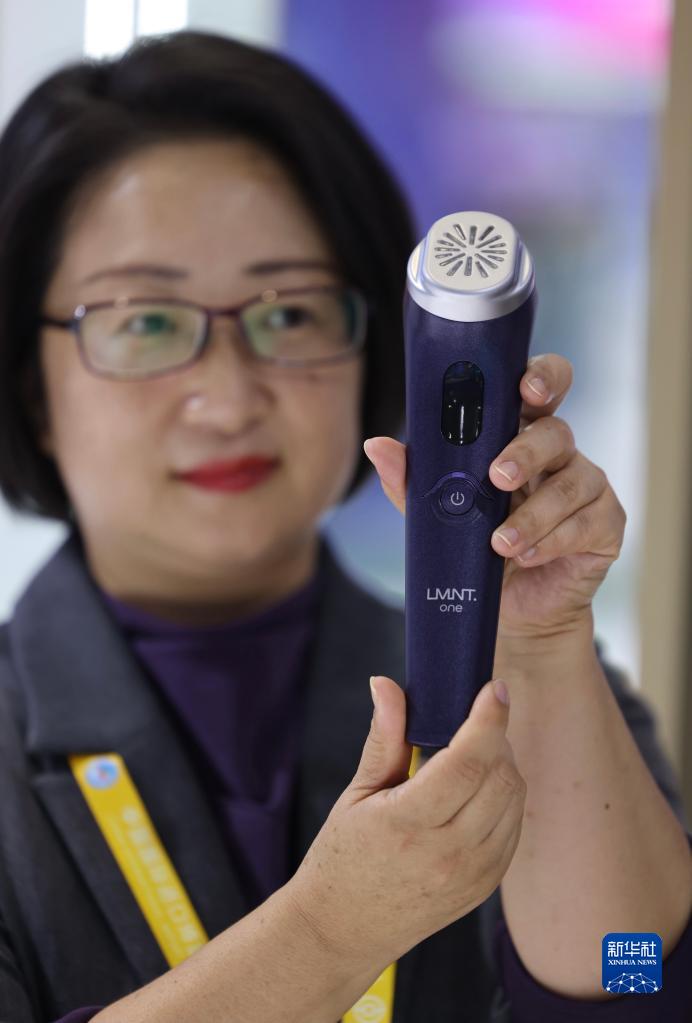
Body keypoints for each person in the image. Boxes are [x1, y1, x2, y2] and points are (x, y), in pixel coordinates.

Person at [0, 28, 689, 1023]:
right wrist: (330, 932)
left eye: (289, 315)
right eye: (146, 322)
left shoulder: (541, 688)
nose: (228, 399)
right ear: (31, 385)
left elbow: (634, 987)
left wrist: (541, 650)